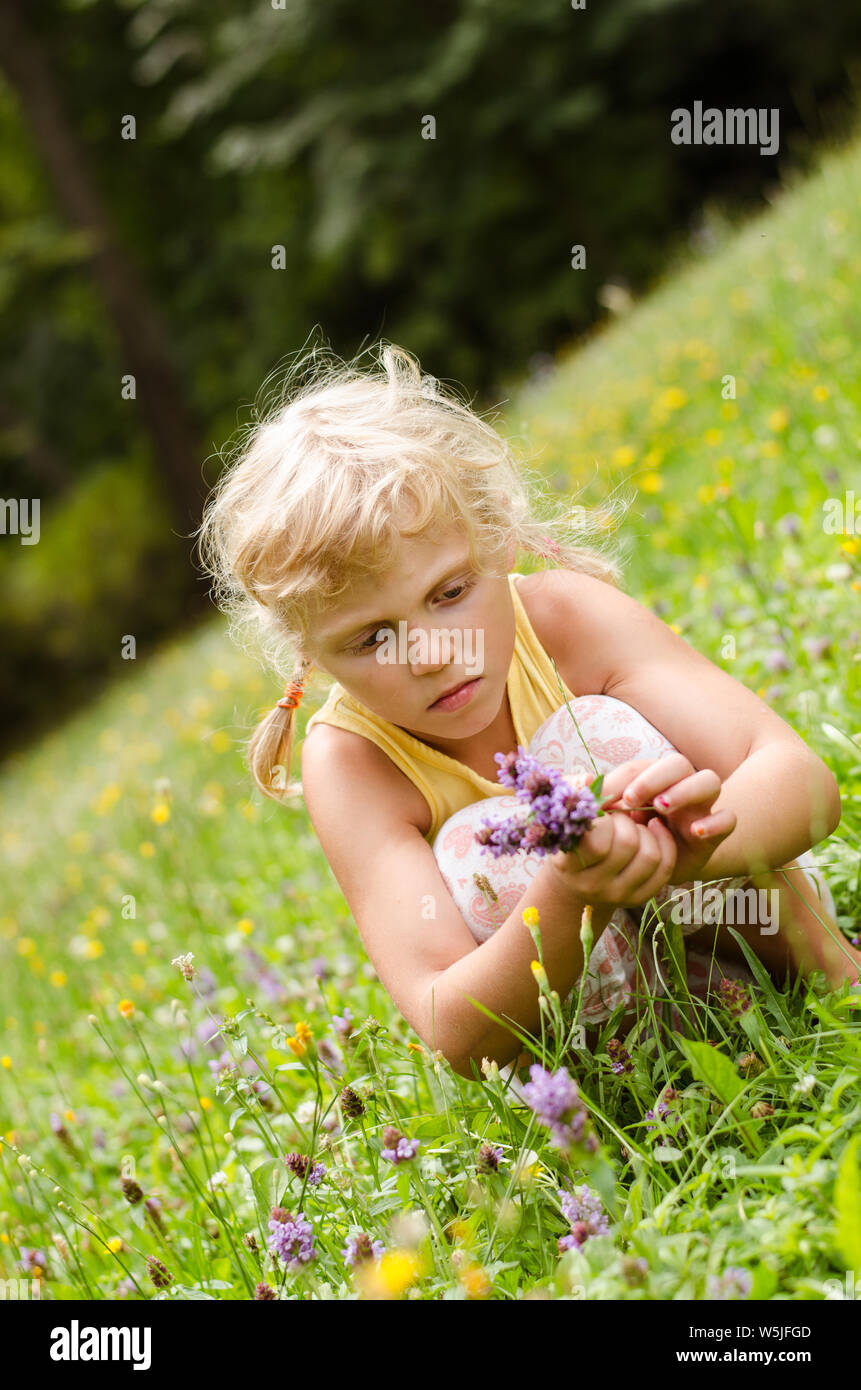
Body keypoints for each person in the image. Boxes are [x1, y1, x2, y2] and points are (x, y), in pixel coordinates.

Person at [195, 341, 859, 1082]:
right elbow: (449, 1025)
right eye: (371, 637)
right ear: (310, 653)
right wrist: (573, 885)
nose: (428, 654)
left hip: (738, 921)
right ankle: (659, 1082)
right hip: (593, 1045)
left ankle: (838, 976)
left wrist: (687, 845)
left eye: (449, 593)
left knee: (591, 739)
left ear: (498, 541)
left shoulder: (565, 621)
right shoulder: (351, 763)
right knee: (484, 840)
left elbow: (801, 783)